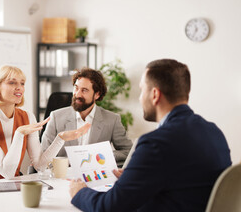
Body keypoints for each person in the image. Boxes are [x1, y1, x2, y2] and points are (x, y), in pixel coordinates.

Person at [69, 59, 232, 212]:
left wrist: (79, 192)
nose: (140, 99)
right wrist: (137, 175)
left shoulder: (156, 144)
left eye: (141, 91)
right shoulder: (213, 132)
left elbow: (110, 207)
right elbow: (184, 181)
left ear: (155, 95)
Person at [0, 65, 90, 184]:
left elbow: (40, 165)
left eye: (22, 83)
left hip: (10, 186)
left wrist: (60, 139)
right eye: (12, 82)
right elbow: (7, 172)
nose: (19, 87)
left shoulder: (28, 117)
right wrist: (19, 134)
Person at [40, 67, 132, 163]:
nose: (77, 94)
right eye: (76, 88)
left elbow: (128, 151)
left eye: (84, 90)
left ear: (97, 94)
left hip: (95, 176)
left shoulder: (112, 120)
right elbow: (43, 155)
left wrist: (104, 155)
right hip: (63, 175)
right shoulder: (56, 117)